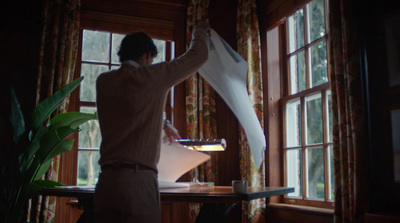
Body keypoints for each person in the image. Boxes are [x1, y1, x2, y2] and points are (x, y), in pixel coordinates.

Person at [94, 21, 210, 223]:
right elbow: (198, 56)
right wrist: (199, 32)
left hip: (106, 182)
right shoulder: (153, 76)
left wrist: (164, 123)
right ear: (147, 55)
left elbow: (128, 106)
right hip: (138, 182)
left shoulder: (104, 81)